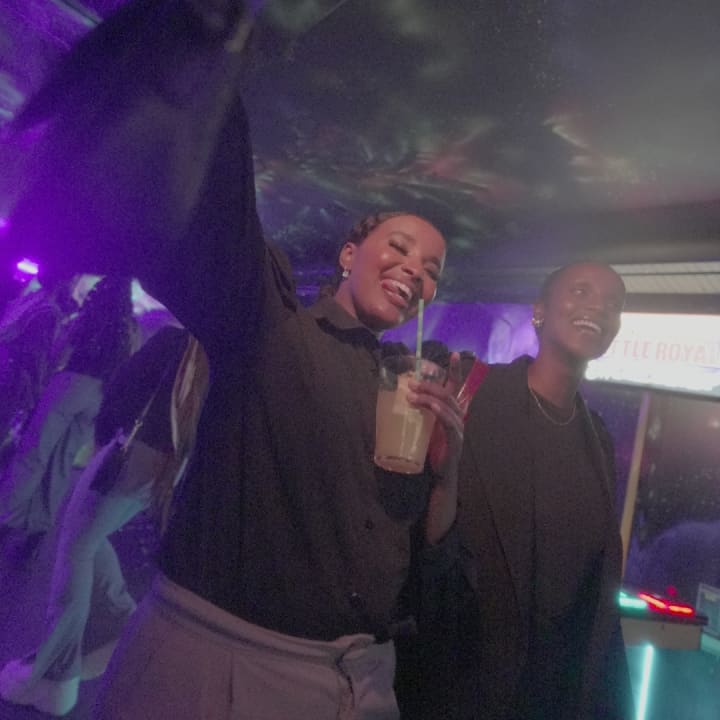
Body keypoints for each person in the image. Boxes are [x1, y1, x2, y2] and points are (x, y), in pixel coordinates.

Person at [0, 3, 465, 718]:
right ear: (349, 254)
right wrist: (229, 28)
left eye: (432, 268)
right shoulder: (269, 322)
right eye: (400, 247)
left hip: (362, 681)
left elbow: (415, 546)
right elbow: (216, 200)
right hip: (223, 668)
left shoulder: (400, 385)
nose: (416, 269)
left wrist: (448, 467)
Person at [397, 262, 635, 720]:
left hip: (555, 694)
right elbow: (422, 536)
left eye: (613, 303)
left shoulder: (598, 440)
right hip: (464, 681)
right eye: (581, 291)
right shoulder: (471, 394)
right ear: (539, 311)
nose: (598, 308)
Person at [0, 324, 208, 716]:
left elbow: (123, 388)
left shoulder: (173, 341)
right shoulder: (215, 358)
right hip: (165, 467)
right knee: (88, 541)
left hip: (129, 454)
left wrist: (106, 437)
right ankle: (115, 623)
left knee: (75, 549)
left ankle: (56, 676)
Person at [0, 277, 136, 552]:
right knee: (62, 462)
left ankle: (6, 517)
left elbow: (60, 350)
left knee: (34, 453)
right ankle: (39, 527)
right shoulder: (130, 328)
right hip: (100, 394)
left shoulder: (90, 315)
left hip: (70, 384)